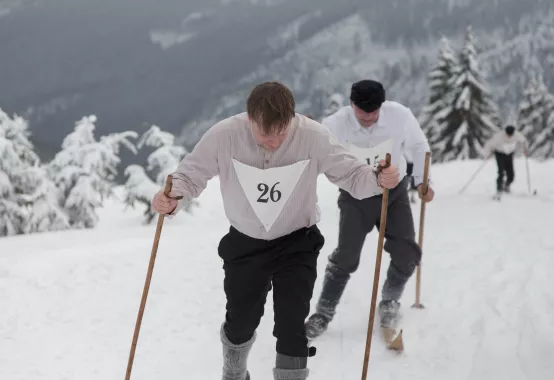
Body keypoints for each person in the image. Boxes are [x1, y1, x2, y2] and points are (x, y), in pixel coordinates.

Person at [151, 81, 400, 380]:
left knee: (292, 325)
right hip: (245, 244)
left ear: (292, 119)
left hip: (297, 242)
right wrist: (172, 196)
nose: (273, 142)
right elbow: (190, 175)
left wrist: (379, 178)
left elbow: (352, 175)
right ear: (249, 118)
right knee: (241, 322)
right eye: (264, 134)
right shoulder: (224, 135)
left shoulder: (313, 135)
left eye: (281, 132)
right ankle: (234, 372)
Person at [304, 79, 434, 339]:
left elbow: (419, 146)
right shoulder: (336, 124)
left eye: (374, 112)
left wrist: (422, 181)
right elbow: (312, 150)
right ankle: (323, 312)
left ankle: (390, 300)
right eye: (363, 113)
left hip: (393, 193)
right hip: (355, 197)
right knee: (346, 256)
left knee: (407, 252)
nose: (369, 118)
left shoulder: (399, 116)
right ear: (352, 104)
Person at [484, 125, 529, 195]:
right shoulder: (499, 136)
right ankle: (499, 189)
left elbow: (524, 142)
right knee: (501, 172)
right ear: (505, 132)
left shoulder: (517, 135)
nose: (509, 136)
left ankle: (506, 186)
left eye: (511, 134)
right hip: (499, 153)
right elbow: (489, 144)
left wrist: (525, 150)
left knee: (511, 174)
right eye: (508, 134)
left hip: (509, 154)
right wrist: (488, 154)